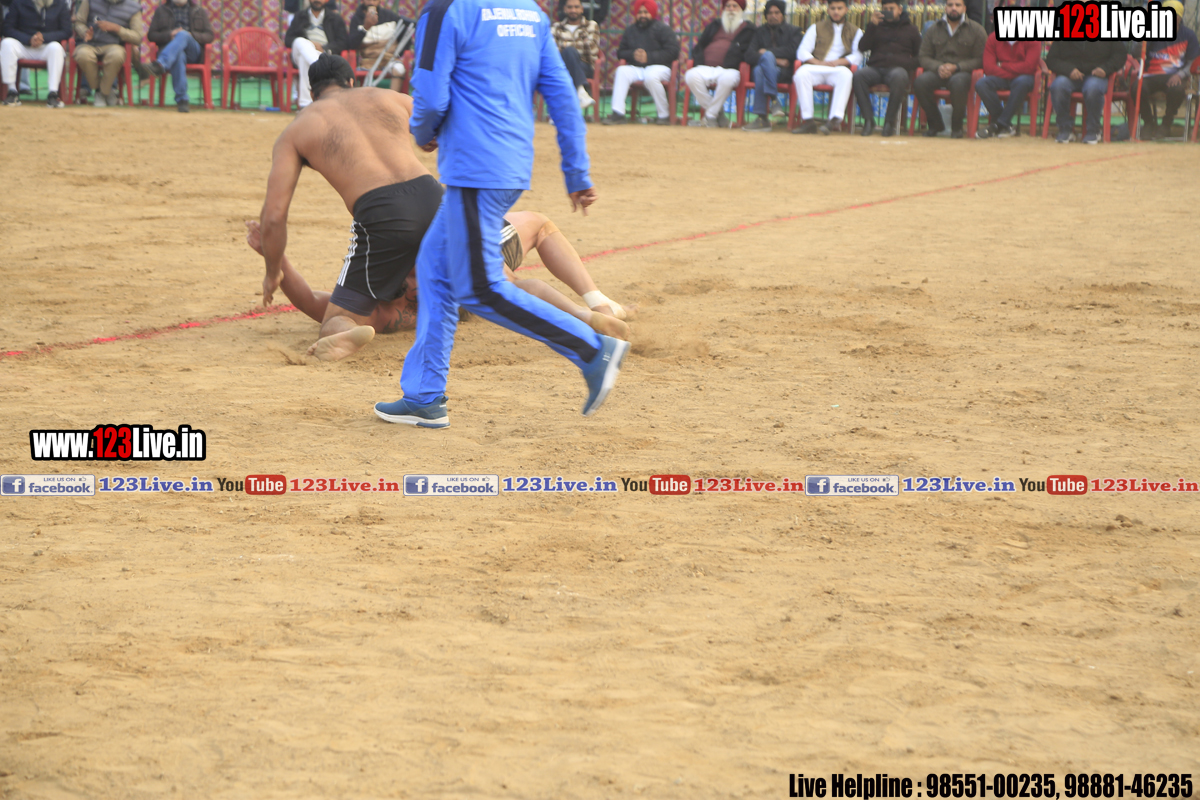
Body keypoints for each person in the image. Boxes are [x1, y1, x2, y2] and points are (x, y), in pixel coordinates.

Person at [377, 0, 628, 429]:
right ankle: (424, 396)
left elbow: (431, 96)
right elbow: (563, 95)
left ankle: (591, 349)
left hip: (474, 166)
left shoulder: (445, 10)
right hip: (508, 164)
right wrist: (576, 170)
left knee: (479, 289)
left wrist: (424, 130)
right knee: (435, 271)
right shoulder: (529, 12)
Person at [245, 211, 630, 360]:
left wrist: (276, 260)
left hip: (462, 261)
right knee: (537, 227)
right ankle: (593, 308)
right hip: (467, 268)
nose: (416, 285)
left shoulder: (380, 307)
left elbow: (310, 300)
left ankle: (593, 311)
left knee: (509, 270)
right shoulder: (381, 307)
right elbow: (312, 302)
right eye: (411, 280)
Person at [258, 54, 444, 362]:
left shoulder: (296, 130)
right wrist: (429, 139)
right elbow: (438, 125)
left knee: (335, 319)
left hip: (382, 214)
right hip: (433, 196)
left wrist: (272, 271)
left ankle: (344, 329)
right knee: (494, 280)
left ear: (312, 93)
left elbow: (274, 216)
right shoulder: (389, 97)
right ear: (352, 81)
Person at [913, 0, 986, 138]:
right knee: (920, 82)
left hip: (962, 72)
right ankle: (935, 124)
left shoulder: (976, 30)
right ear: (945, 8)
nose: (954, 8)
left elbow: (981, 59)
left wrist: (957, 67)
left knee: (958, 83)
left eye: (957, 5)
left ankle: (957, 127)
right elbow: (923, 56)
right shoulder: (933, 29)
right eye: (950, 5)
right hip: (938, 71)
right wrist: (938, 67)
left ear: (964, 8)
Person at [791, 0, 862, 135]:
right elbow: (802, 52)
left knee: (846, 75)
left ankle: (833, 121)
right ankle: (808, 121)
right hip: (817, 66)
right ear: (828, 10)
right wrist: (817, 62)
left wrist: (839, 62)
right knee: (801, 74)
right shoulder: (816, 27)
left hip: (838, 68)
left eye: (839, 8)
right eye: (833, 8)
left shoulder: (855, 31)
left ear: (846, 10)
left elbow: (858, 56)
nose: (836, 12)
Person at [850, 0, 920, 136]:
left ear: (900, 10)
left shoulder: (911, 29)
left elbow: (920, 55)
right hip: (876, 68)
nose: (888, 11)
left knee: (899, 76)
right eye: (885, 8)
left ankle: (889, 122)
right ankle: (868, 120)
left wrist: (906, 64)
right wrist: (872, 26)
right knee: (859, 76)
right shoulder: (876, 26)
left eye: (891, 8)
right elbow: (863, 47)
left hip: (898, 69)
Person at [604, 0, 679, 125]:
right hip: (637, 68)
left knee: (651, 76)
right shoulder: (630, 30)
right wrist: (633, 54)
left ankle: (664, 115)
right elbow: (621, 52)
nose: (642, 15)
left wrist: (648, 57)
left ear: (652, 13)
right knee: (622, 71)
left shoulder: (664, 29)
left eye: (646, 12)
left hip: (659, 68)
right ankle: (618, 114)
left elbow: (672, 52)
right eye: (639, 12)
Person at [684, 0, 753, 128]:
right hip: (705, 67)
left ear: (741, 9)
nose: (731, 9)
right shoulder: (714, 25)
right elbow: (700, 45)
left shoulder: (749, 29)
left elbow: (748, 52)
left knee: (728, 79)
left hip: (729, 69)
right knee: (690, 76)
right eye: (728, 6)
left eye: (734, 6)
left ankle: (710, 115)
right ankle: (717, 113)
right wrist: (698, 60)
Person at [1045, 35, 1125, 144]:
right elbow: (1051, 59)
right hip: (1069, 75)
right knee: (1057, 86)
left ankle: (1093, 130)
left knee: (1093, 88)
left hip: (1097, 75)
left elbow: (1120, 55)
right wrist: (1068, 70)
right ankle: (1065, 129)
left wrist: (1105, 69)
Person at [1137, 0, 1198, 140]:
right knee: (1137, 88)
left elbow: (1193, 61)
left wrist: (1181, 74)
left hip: (1175, 75)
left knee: (1177, 90)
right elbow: (1137, 53)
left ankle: (1166, 123)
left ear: (1179, 18)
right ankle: (1148, 123)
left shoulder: (1188, 35)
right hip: (1151, 75)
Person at [973, 12, 1039, 138]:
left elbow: (1029, 67)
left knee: (1021, 82)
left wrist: (1003, 65)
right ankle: (1005, 125)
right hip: (1003, 77)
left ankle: (998, 125)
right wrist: (1013, 71)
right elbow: (989, 68)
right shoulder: (993, 38)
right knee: (981, 83)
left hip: (1024, 78)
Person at [145, 0, 214, 113]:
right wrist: (170, 34)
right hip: (172, 51)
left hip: (193, 51)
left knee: (183, 35)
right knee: (179, 55)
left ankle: (160, 64)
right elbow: (151, 35)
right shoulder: (161, 10)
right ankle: (182, 100)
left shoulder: (199, 11)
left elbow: (209, 36)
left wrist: (191, 35)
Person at [73, 0, 144, 108]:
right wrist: (85, 32)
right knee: (83, 54)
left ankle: (102, 93)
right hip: (89, 44)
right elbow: (79, 22)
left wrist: (117, 29)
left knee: (117, 55)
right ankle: (103, 91)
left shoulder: (133, 7)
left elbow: (137, 37)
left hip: (114, 45)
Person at [741, 0, 799, 132]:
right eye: (770, 13)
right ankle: (774, 100)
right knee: (760, 69)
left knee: (762, 65)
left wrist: (767, 53)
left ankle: (762, 119)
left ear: (783, 15)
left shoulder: (794, 31)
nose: (773, 16)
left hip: (784, 72)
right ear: (766, 16)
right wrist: (776, 60)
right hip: (767, 70)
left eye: (777, 13)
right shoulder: (759, 32)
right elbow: (749, 55)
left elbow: (793, 51)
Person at [0, 0, 71, 107]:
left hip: (46, 45)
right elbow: (7, 28)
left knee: (56, 48)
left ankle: (53, 94)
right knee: (7, 43)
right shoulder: (19, 2)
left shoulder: (60, 4)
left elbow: (66, 31)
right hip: (23, 45)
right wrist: (29, 39)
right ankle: (12, 91)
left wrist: (44, 37)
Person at [284, 0, 346, 110]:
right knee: (300, 41)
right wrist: (309, 44)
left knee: (304, 59)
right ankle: (320, 65)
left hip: (323, 53)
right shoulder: (300, 16)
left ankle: (305, 104)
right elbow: (288, 39)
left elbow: (343, 42)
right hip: (301, 51)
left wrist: (324, 48)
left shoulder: (335, 18)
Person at [346, 1, 412, 92]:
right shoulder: (357, 19)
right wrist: (365, 27)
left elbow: (406, 40)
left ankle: (392, 98)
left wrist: (396, 54)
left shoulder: (390, 16)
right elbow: (351, 45)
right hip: (368, 61)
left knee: (399, 69)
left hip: (389, 59)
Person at [552, 0, 600, 110]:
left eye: (576, 7)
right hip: (561, 66)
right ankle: (581, 92)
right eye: (570, 7)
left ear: (582, 9)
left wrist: (564, 45)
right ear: (565, 9)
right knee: (568, 54)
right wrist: (581, 45)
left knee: (569, 52)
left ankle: (560, 110)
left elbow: (592, 49)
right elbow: (551, 50)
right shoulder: (557, 27)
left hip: (585, 66)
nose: (573, 10)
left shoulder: (591, 25)